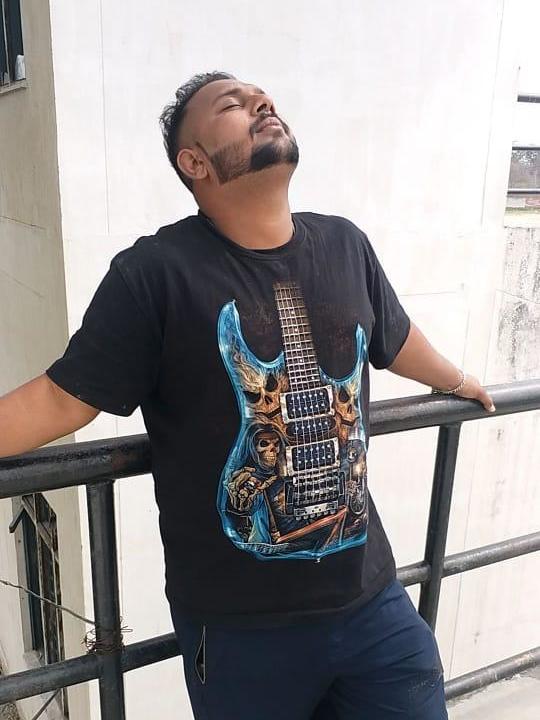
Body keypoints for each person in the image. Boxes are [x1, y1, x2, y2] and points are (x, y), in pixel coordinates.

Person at [0, 71, 496, 719]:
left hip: (373, 603)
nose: (262, 103)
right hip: (240, 633)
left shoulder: (345, 243)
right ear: (195, 162)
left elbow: (393, 338)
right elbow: (62, 399)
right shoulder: (153, 274)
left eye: (264, 97)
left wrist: (457, 381)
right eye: (232, 104)